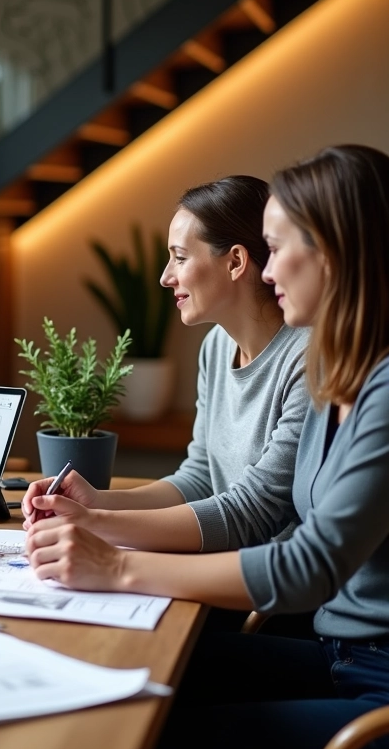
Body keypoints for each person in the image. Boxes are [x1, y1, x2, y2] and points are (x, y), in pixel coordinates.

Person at [25, 145, 389, 749]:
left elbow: (303, 563)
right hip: (336, 658)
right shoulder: (337, 367)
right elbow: (219, 485)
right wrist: (97, 516)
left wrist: (116, 564)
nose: (269, 266)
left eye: (278, 248)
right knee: (107, 695)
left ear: (337, 254)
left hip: (374, 695)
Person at [23, 176, 309, 555]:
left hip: (265, 594)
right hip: (216, 568)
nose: (165, 276)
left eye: (180, 257)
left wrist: (97, 525)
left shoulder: (307, 359)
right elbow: (200, 477)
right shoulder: (215, 347)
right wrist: (94, 502)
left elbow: (254, 512)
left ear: (236, 262)